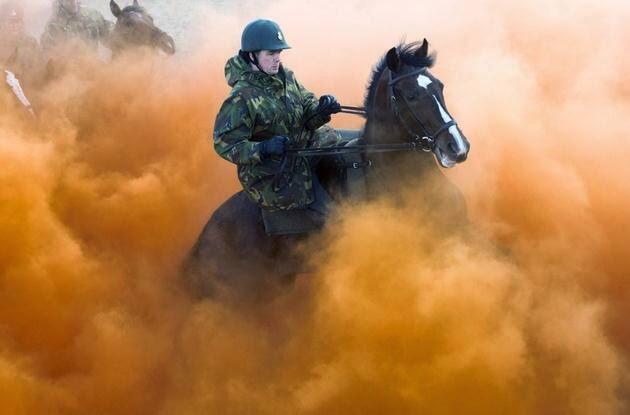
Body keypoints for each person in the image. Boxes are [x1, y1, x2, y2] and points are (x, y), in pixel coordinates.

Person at [213, 19, 345, 233]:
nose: (277, 60)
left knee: (351, 152)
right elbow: (224, 143)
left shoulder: (287, 78)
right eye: (270, 54)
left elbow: (307, 109)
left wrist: (321, 110)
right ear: (252, 56)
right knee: (334, 217)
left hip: (303, 153)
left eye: (279, 53)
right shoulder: (241, 97)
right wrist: (263, 148)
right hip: (275, 174)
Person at [40, 0, 112, 54]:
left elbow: (113, 38)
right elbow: (49, 57)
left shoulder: (92, 16)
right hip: (69, 70)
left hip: (93, 68)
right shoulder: (53, 26)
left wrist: (122, 24)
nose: (73, 2)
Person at [0, 1, 44, 87]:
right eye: (11, 22)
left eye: (18, 21)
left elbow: (40, 72)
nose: (15, 26)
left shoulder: (31, 44)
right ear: (2, 23)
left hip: (31, 92)